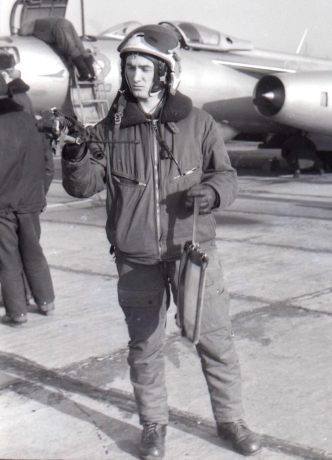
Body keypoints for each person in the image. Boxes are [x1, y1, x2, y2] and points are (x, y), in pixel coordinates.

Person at [61, 25, 262, 459]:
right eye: (129, 67)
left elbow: (226, 176)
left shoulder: (198, 123)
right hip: (136, 259)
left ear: (165, 73)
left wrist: (211, 194)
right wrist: (75, 154)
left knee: (214, 339)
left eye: (144, 68)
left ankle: (232, 420)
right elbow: (84, 186)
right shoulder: (109, 129)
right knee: (145, 347)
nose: (135, 76)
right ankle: (154, 425)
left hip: (193, 253)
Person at [0, 74, 55, 326]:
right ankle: (46, 302)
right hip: (31, 202)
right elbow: (47, 166)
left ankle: (17, 312)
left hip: (2, 206)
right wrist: (39, 195)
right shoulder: (33, 123)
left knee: (7, 257)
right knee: (34, 252)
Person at [18, 17, 96, 82]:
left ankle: (84, 73)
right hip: (65, 22)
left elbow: (23, 31)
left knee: (71, 49)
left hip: (59, 26)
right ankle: (93, 74)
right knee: (81, 48)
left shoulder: (33, 23)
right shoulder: (42, 23)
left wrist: (19, 32)